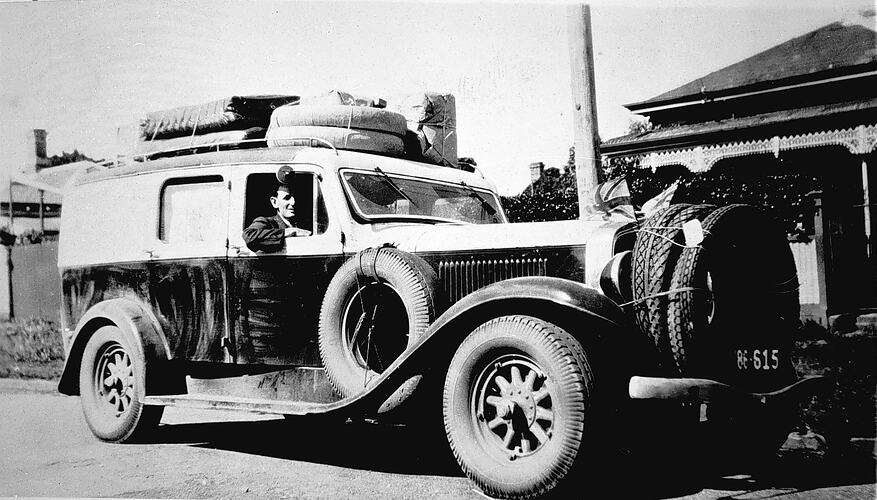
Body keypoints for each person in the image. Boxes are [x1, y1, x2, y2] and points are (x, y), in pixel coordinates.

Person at [243, 182, 312, 252]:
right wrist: (290, 231)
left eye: (296, 198)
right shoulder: (268, 222)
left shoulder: (307, 224)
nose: (293, 202)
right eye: (287, 198)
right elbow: (249, 236)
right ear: (275, 202)